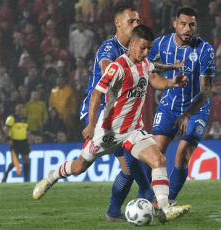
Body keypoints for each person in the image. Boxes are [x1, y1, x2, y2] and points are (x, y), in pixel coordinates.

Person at [33, 25, 191, 224]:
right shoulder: (118, 67)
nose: (146, 53)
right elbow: (96, 94)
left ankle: (165, 209)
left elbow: (155, 72)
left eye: (149, 48)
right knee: (79, 166)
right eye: (143, 48)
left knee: (159, 161)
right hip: (108, 132)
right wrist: (91, 125)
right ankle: (51, 177)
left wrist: (172, 81)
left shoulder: (144, 63)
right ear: (131, 43)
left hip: (133, 131)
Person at [77, 5, 183, 221]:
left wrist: (170, 77)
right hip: (101, 114)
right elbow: (109, 69)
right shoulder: (109, 48)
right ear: (118, 23)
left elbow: (150, 73)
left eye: (137, 20)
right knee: (129, 166)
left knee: (132, 166)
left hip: (123, 117)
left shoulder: (140, 49)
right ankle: (146, 199)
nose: (136, 24)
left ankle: (118, 211)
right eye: (131, 21)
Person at [145, 7, 215, 202]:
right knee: (155, 155)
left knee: (182, 155)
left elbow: (206, 90)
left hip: (196, 110)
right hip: (168, 107)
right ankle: (145, 199)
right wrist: (164, 71)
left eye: (191, 25)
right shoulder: (161, 43)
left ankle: (166, 203)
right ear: (175, 24)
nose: (187, 29)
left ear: (196, 26)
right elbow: (146, 65)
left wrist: (187, 115)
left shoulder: (204, 49)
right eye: (183, 24)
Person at [2, 103, 30, 182]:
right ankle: (6, 174)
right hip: (15, 142)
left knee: (26, 159)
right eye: (19, 107)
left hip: (23, 141)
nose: (21, 109)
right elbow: (6, 128)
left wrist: (28, 144)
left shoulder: (25, 119)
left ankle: (26, 179)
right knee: (15, 161)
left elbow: (26, 132)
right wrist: (8, 139)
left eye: (22, 107)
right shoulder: (12, 118)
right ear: (16, 109)